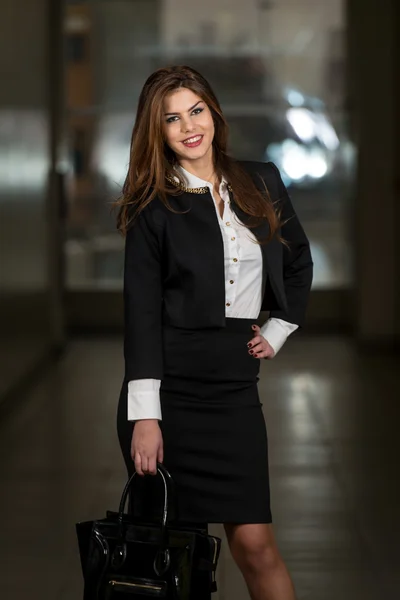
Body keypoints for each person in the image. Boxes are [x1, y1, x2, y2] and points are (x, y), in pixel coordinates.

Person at [115, 65, 313, 600]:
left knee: (256, 547)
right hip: (171, 397)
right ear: (157, 131)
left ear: (214, 112)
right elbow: (141, 314)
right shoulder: (151, 205)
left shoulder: (263, 180)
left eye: (195, 111)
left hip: (233, 394)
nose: (187, 127)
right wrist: (145, 418)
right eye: (171, 119)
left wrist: (278, 327)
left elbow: (298, 262)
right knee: (180, 562)